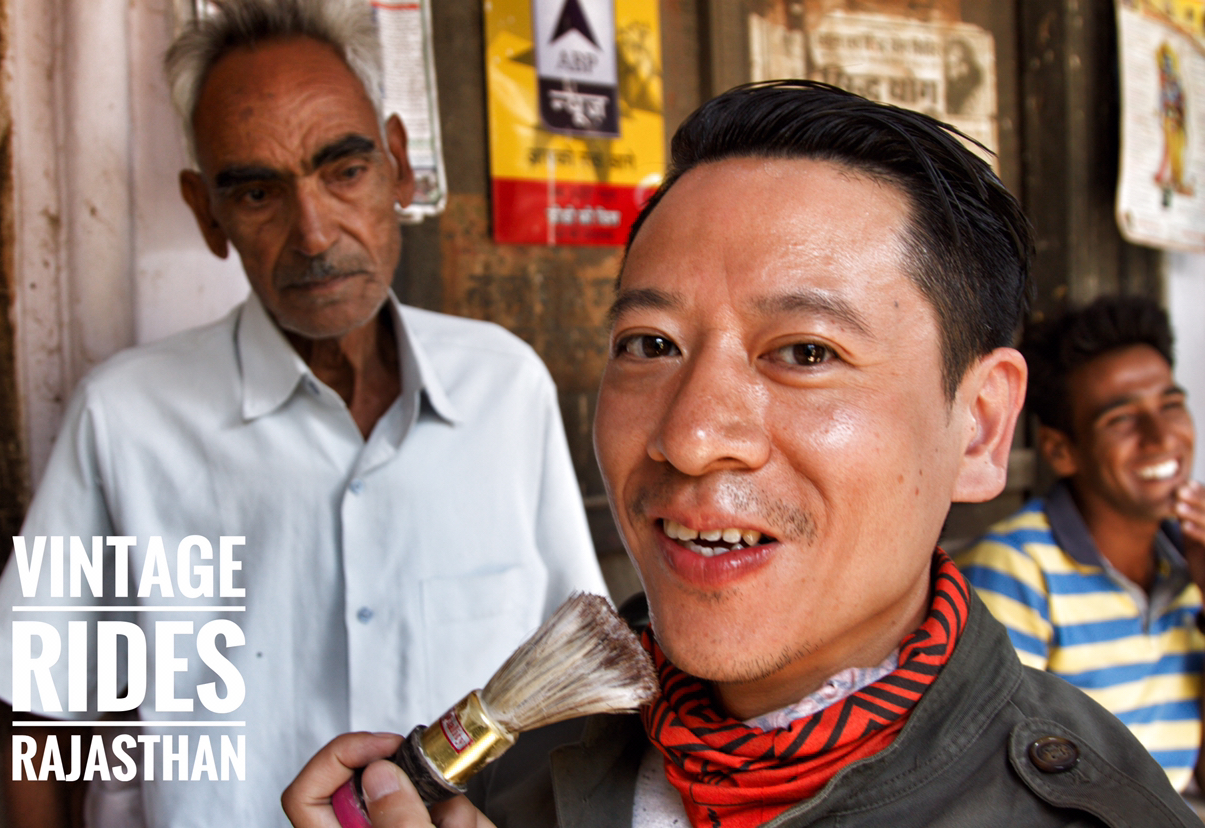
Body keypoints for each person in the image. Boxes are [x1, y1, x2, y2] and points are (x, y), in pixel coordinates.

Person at [281, 81, 1201, 827]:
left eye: (805, 352)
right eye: (651, 344)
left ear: (982, 427)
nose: (689, 437)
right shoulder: (509, 778)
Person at [0, 0, 607, 825]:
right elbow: (44, 713)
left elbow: (581, 670)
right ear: (207, 213)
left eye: (345, 171)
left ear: (399, 167)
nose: (312, 233)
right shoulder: (123, 419)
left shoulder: (506, 389)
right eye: (259, 191)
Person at [957, 295, 1205, 792]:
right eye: (1121, 419)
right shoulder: (1017, 570)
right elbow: (993, 786)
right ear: (1060, 450)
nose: (1161, 438)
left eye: (1171, 405)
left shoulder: (1186, 567)